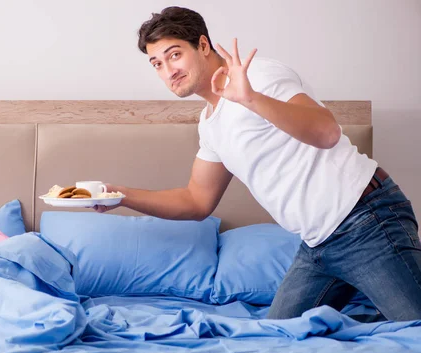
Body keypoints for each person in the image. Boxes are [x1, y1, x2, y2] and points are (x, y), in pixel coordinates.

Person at [94, 6, 421, 321]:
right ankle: (376, 319)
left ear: (203, 45)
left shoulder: (258, 76)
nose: (169, 71)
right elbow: (196, 200)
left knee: (414, 330)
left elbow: (327, 132)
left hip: (364, 219)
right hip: (316, 246)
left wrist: (249, 97)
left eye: (175, 54)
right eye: (157, 64)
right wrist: (121, 195)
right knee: (279, 342)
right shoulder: (210, 125)